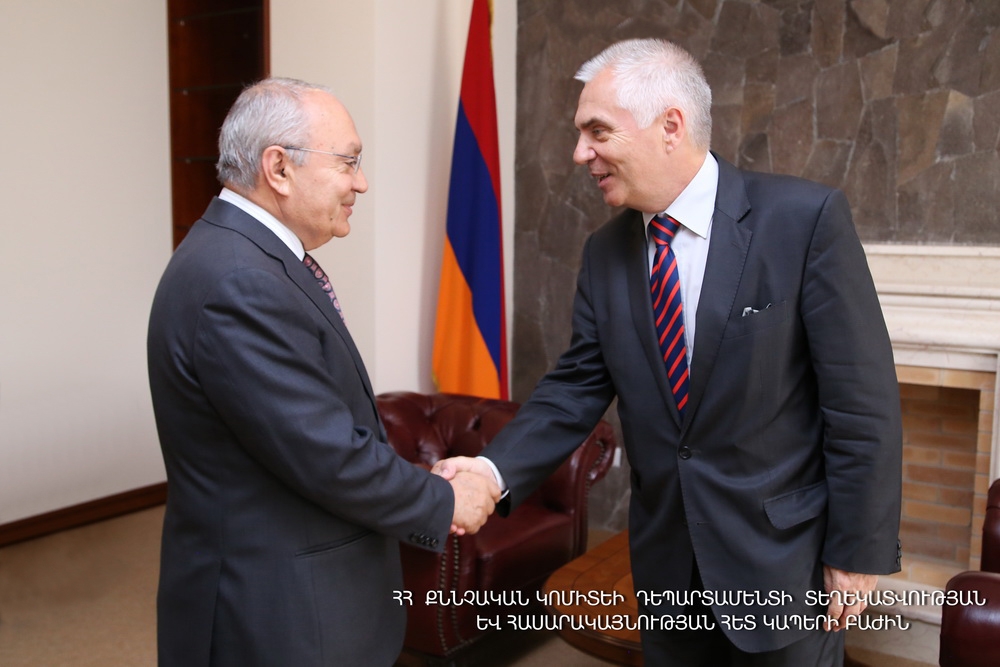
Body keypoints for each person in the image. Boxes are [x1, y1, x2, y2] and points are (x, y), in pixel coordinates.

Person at [435, 39, 902, 666]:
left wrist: (857, 549)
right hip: (667, 570)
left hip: (784, 564)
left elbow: (861, 403)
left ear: (670, 127)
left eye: (597, 131)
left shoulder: (803, 220)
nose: (580, 153)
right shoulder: (604, 253)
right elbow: (574, 389)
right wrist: (490, 474)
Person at [147, 77, 500, 667]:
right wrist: (443, 499)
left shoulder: (248, 258)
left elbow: (303, 431)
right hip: (274, 614)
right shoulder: (241, 281)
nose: (361, 182)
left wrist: (420, 477)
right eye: (348, 162)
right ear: (279, 168)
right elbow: (325, 454)